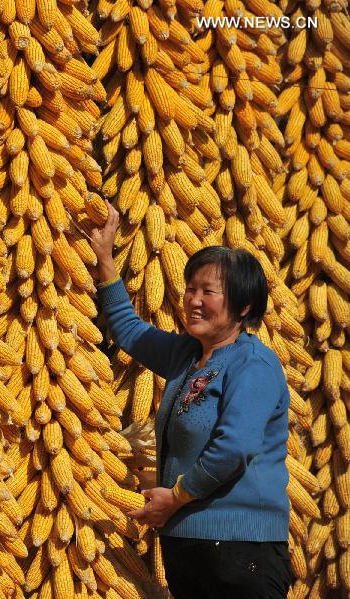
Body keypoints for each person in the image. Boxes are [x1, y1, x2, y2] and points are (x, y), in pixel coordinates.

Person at [88, 203, 293, 598]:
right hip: (188, 548)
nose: (193, 300)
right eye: (190, 289)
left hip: (240, 554)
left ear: (243, 306)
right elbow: (130, 332)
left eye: (208, 292)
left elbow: (234, 448)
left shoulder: (253, 365)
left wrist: (176, 497)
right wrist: (106, 263)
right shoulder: (187, 354)